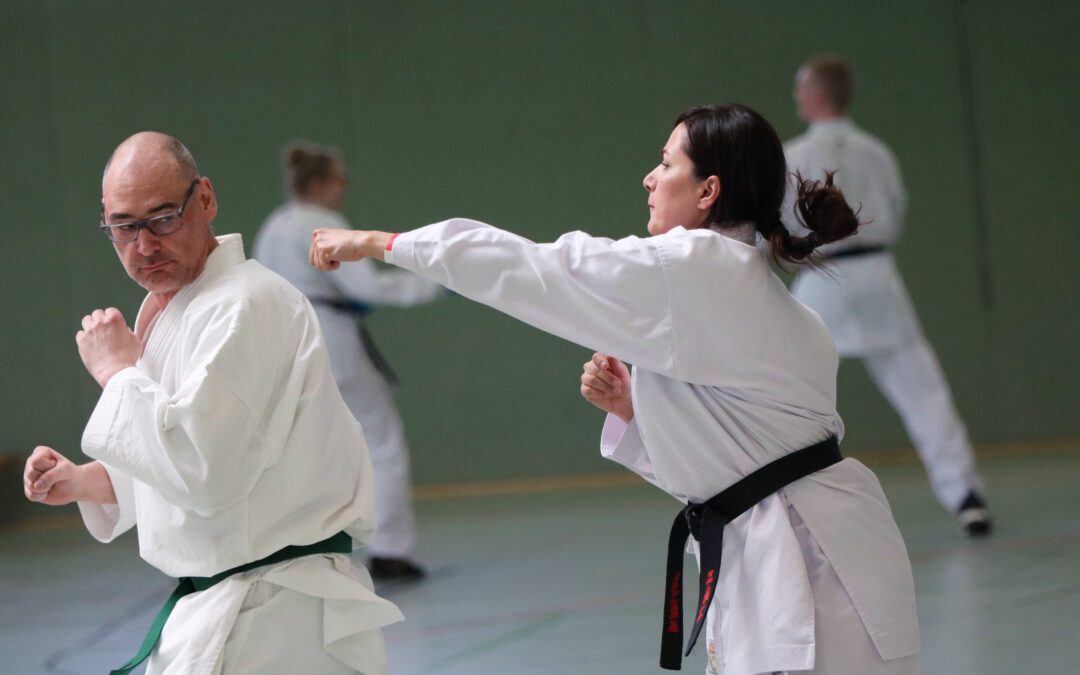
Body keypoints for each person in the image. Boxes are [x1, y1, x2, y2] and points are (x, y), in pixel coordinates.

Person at [309, 105, 922, 674]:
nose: (649, 178)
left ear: (709, 191)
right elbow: (740, 468)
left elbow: (535, 269)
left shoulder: (694, 268)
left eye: (666, 163)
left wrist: (381, 243)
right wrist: (638, 412)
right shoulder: (765, 297)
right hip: (823, 552)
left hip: (810, 571)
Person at [22, 132, 403, 674]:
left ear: (204, 200)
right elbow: (192, 453)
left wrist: (116, 372)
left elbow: (204, 470)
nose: (145, 245)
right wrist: (88, 482)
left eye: (163, 218)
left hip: (279, 619)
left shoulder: (246, 306)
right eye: (124, 228)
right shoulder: (180, 308)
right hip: (229, 609)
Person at [784, 55, 992, 536]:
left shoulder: (793, 155)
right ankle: (966, 494)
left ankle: (788, 508)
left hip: (823, 280)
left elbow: (785, 222)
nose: (798, 98)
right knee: (922, 387)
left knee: (789, 387)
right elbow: (896, 208)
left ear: (815, 97)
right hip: (877, 276)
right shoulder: (876, 151)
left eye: (801, 90)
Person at [254, 143, 442, 580]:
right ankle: (390, 551)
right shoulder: (322, 222)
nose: (345, 188)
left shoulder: (274, 226)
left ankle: (283, 550)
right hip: (331, 341)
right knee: (380, 441)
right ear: (319, 184)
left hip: (285, 343)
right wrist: (433, 283)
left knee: (296, 450)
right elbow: (367, 287)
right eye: (340, 179)